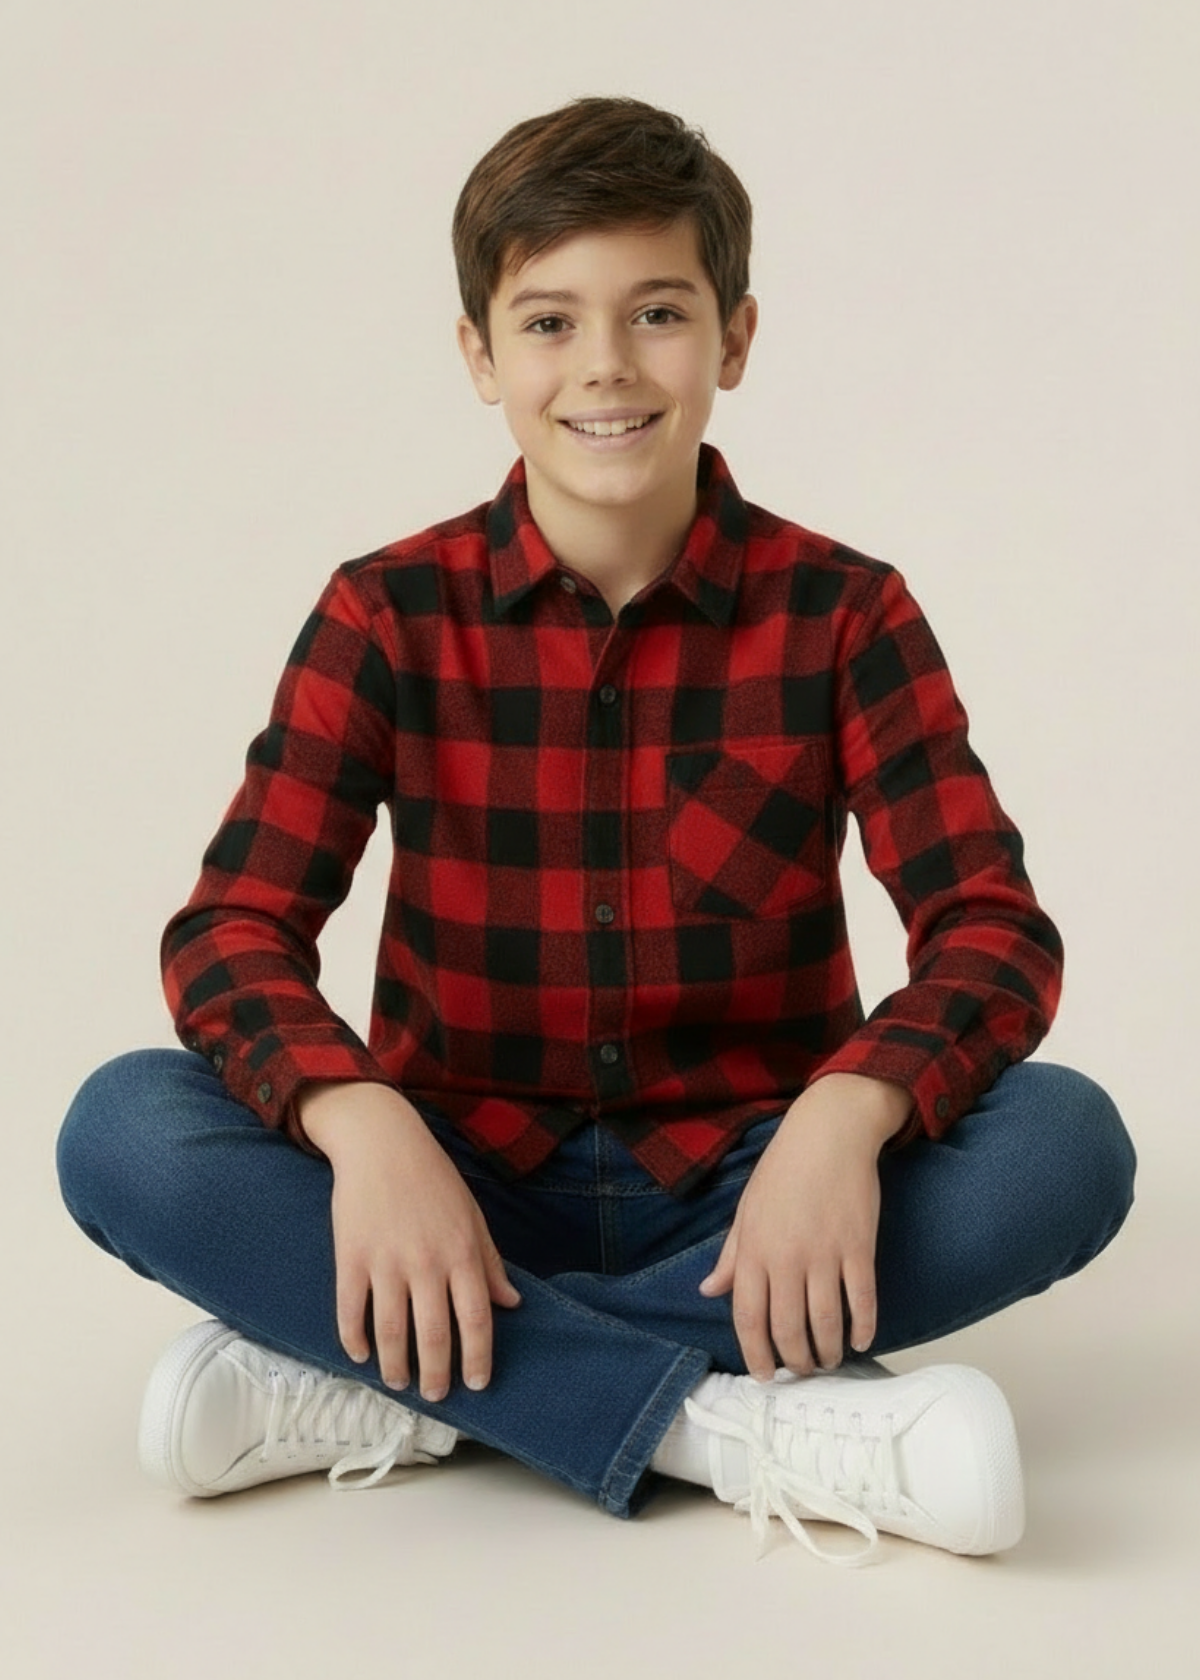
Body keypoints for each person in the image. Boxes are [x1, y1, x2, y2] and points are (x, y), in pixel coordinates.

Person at [56, 95, 1136, 1567]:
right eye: (550, 322)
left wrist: (851, 1111)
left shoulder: (846, 614)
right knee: (124, 1128)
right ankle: (729, 1424)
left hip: (754, 1208)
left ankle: (411, 1385)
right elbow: (231, 932)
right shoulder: (387, 611)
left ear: (734, 340)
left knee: (1067, 1145)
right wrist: (358, 1120)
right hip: (451, 1192)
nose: (607, 366)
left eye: (659, 314)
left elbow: (990, 933)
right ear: (480, 356)